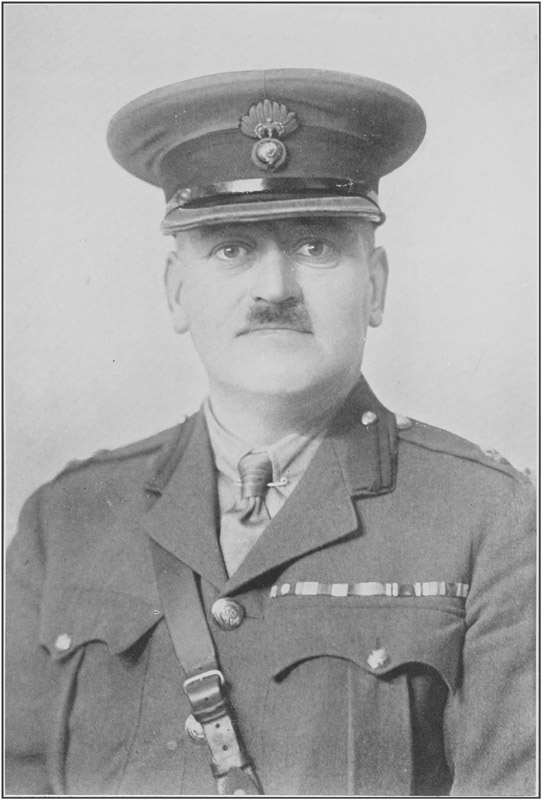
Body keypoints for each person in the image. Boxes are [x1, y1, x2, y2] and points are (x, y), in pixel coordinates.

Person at [6, 69, 535, 797]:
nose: (275, 288)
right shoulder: (63, 521)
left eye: (316, 247)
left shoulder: (491, 519)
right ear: (177, 292)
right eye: (231, 249)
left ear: (375, 286)